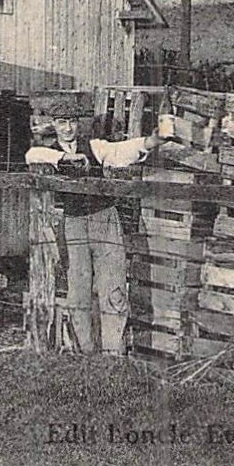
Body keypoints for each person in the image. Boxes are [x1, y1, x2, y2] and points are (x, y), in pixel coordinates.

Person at [27, 108, 162, 355]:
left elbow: (121, 151)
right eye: (61, 122)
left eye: (72, 122)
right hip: (74, 223)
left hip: (105, 220)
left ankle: (113, 353)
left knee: (113, 288)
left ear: (78, 124)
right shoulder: (46, 152)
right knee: (78, 291)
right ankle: (85, 353)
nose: (68, 128)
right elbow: (32, 155)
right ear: (53, 126)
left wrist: (150, 141)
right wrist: (66, 159)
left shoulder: (95, 147)